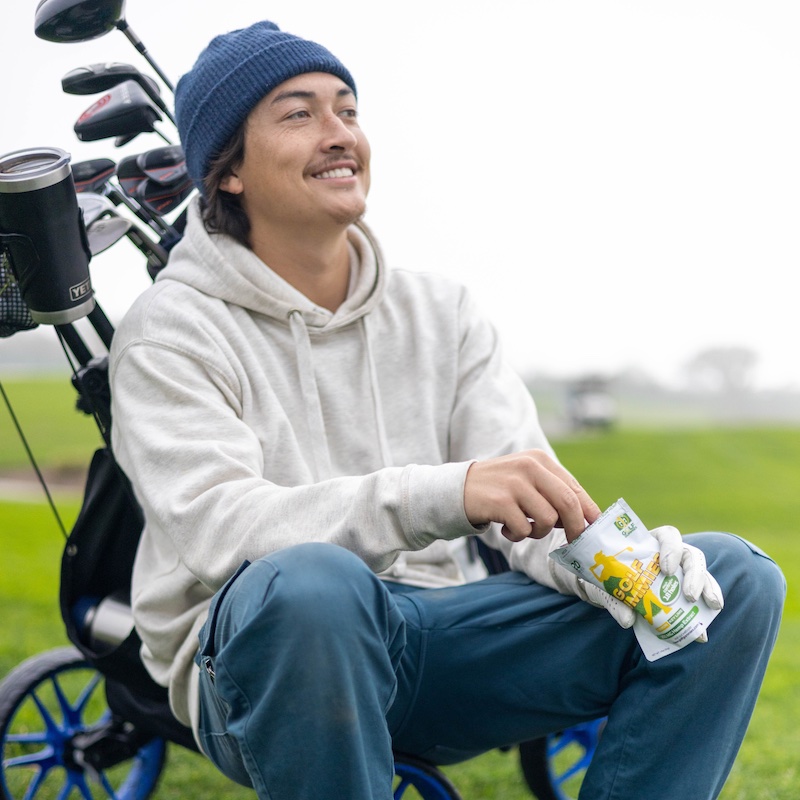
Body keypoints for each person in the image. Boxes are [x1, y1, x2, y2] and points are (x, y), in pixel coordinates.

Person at [108, 19, 785, 800]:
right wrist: (446, 491)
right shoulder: (168, 331)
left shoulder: (443, 312)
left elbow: (536, 516)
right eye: (299, 114)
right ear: (226, 170)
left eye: (348, 111)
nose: (339, 134)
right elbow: (223, 530)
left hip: (440, 634)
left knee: (734, 580)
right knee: (312, 585)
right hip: (262, 668)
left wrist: (630, 571)